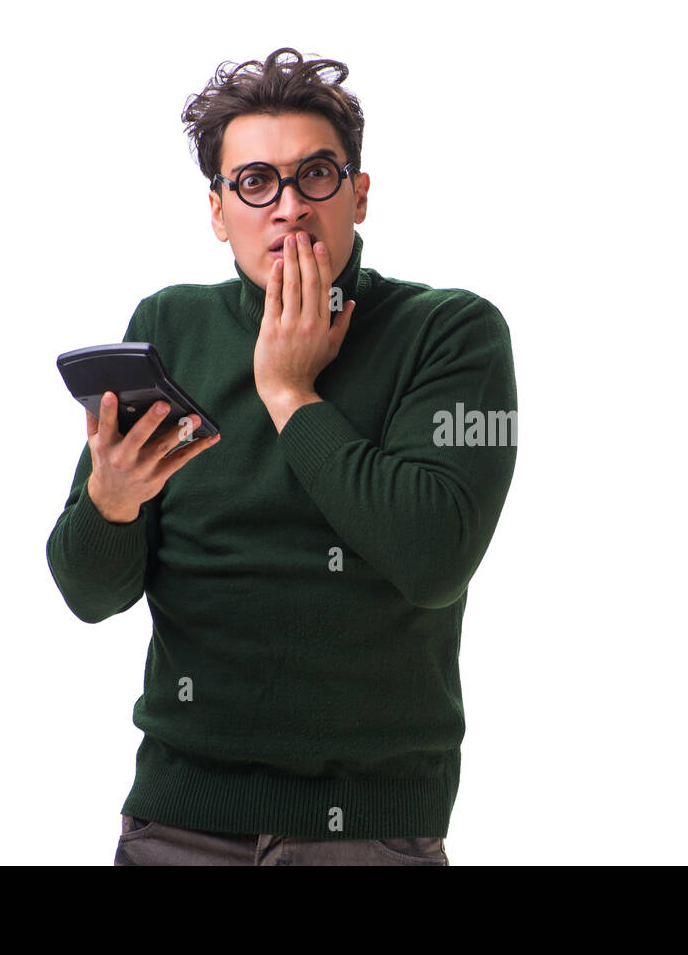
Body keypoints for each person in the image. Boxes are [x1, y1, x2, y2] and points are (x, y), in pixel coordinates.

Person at [45, 48, 518, 866]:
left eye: (316, 176)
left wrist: (289, 392)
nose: (289, 206)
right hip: (176, 822)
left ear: (359, 194)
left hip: (369, 831)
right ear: (218, 211)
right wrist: (111, 502)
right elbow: (88, 593)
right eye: (256, 182)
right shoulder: (168, 327)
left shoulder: (452, 332)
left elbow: (433, 558)